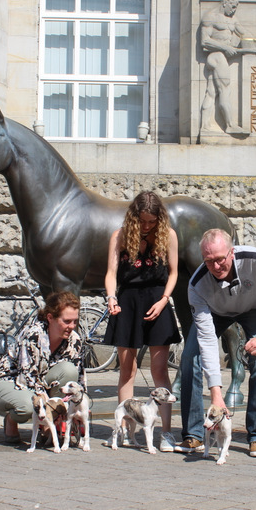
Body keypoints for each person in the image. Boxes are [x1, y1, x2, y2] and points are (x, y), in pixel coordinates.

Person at [176, 229, 256, 457]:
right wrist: (216, 394)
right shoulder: (197, 285)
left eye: (220, 259)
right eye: (209, 261)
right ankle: (194, 434)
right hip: (216, 312)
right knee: (190, 358)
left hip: (254, 309)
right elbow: (207, 341)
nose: (216, 267)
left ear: (232, 252)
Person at [103, 191, 181, 452]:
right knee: (128, 370)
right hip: (128, 303)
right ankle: (124, 429)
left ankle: (166, 433)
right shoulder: (120, 235)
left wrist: (164, 300)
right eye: (143, 221)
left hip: (157, 300)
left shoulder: (168, 235)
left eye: (151, 221)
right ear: (134, 218)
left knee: (160, 370)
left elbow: (173, 272)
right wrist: (111, 297)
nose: (147, 226)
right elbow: (111, 273)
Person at [0, 291, 85, 444]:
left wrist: (80, 404)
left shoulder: (74, 340)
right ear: (50, 318)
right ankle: (11, 419)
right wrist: (46, 407)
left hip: (41, 382)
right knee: (27, 406)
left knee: (69, 370)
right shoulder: (33, 335)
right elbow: (26, 379)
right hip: (10, 381)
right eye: (67, 321)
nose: (72, 327)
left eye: (75, 321)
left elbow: (79, 377)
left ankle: (51, 423)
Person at [199, 0, 256, 134]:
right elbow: (205, 41)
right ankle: (230, 125)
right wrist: (226, 48)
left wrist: (253, 41)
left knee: (211, 92)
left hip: (222, 55)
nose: (234, 10)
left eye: (236, 7)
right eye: (233, 6)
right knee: (225, 89)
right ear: (225, 3)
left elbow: (245, 33)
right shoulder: (210, 17)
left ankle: (205, 126)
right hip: (217, 56)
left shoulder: (233, 20)